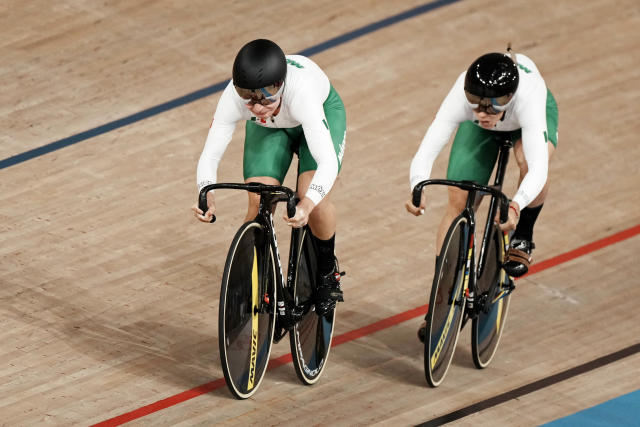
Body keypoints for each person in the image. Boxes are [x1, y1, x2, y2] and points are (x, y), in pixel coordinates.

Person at [192, 39, 347, 316]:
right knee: (258, 200)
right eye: (248, 98)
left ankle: (326, 273)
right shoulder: (234, 98)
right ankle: (254, 281)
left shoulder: (302, 94)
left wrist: (308, 204)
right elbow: (210, 154)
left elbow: (327, 163)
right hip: (272, 128)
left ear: (282, 85)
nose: (257, 106)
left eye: (266, 98)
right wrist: (206, 192)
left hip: (319, 115)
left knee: (313, 198)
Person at [406, 48, 557, 308]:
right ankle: (441, 300)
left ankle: (524, 236)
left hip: (525, 125)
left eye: (493, 105)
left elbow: (538, 169)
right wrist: (417, 185)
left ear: (509, 98)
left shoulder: (529, 97)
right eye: (475, 102)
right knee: (459, 200)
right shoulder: (465, 98)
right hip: (482, 133)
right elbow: (429, 145)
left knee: (528, 161)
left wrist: (515, 205)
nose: (483, 112)